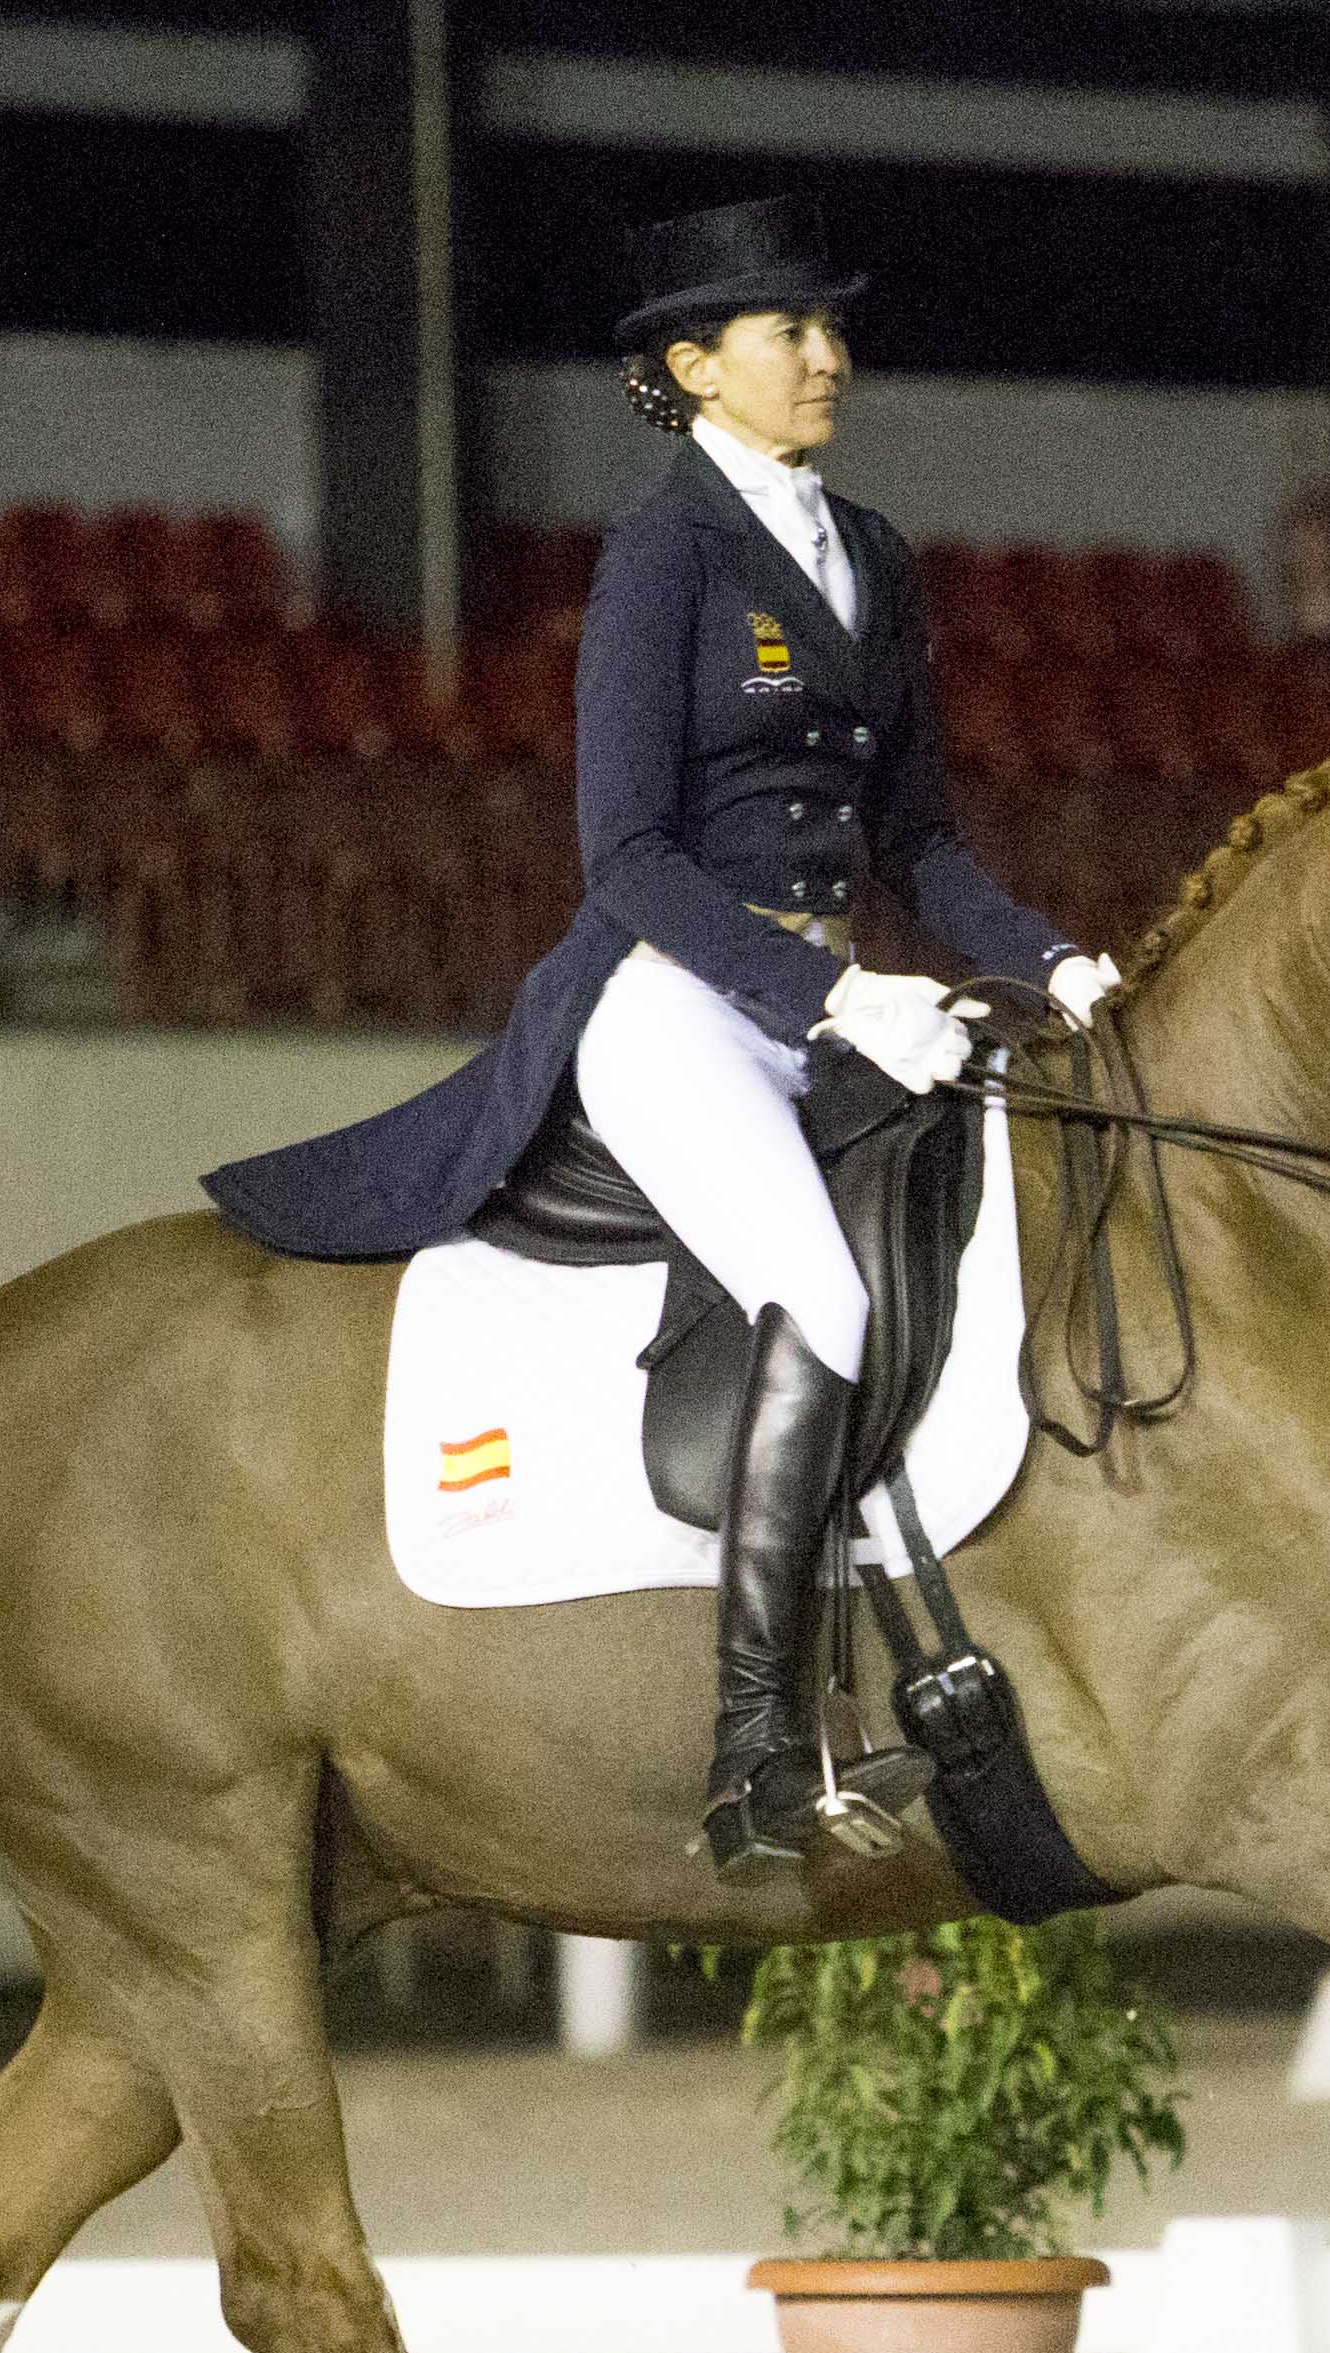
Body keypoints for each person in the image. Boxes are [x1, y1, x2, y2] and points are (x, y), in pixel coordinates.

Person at [204, 194, 1119, 1877]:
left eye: (831, 329)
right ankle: (757, 1750)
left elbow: (917, 844)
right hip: (679, 1005)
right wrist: (835, 995)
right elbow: (622, 858)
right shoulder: (666, 553)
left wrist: (1061, 965)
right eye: (790, 333)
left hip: (842, 1010)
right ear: (696, 367)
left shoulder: (878, 556)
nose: (827, 358)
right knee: (823, 1291)